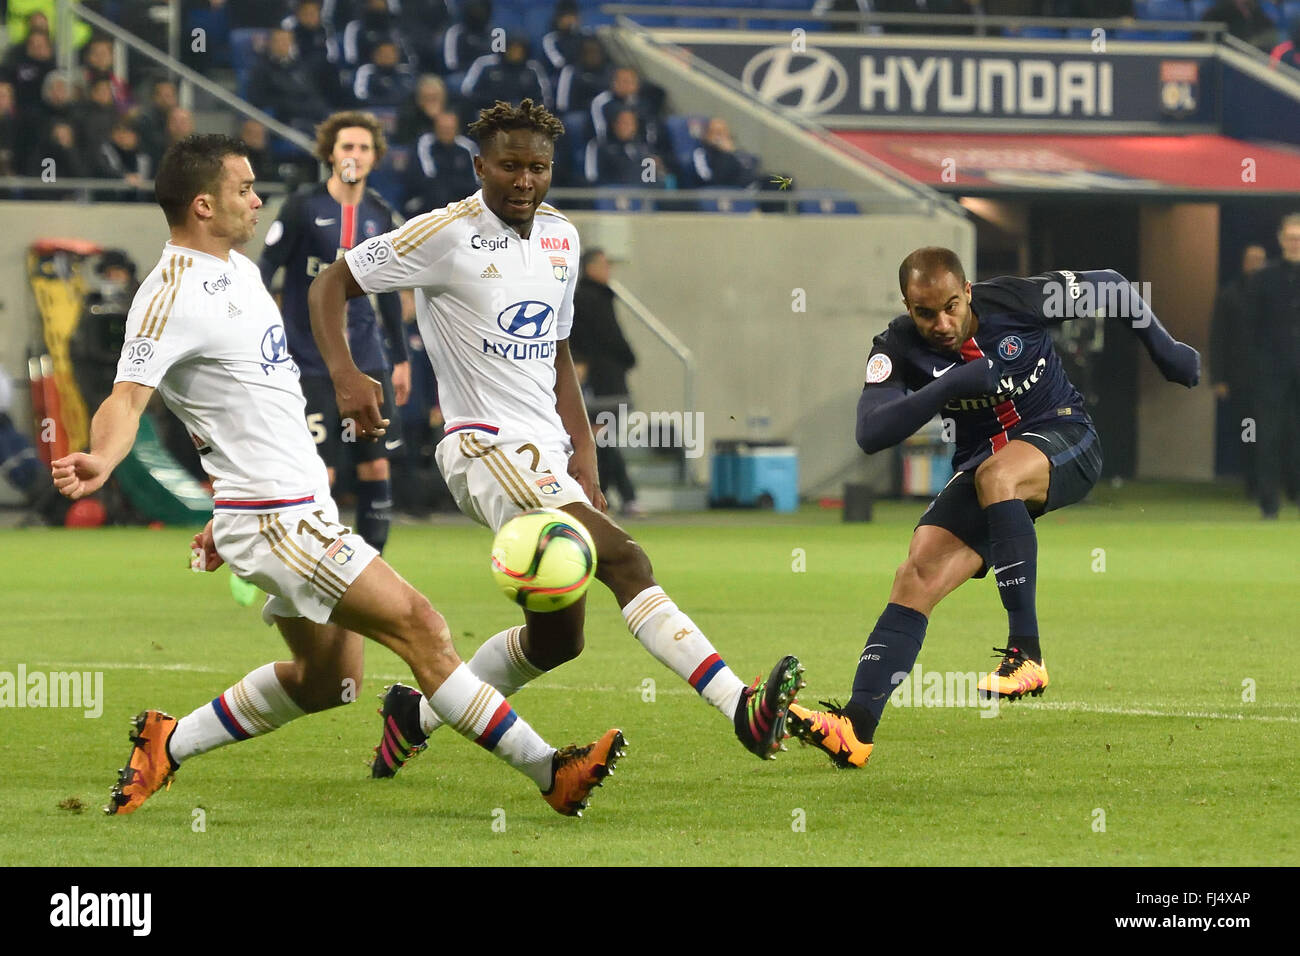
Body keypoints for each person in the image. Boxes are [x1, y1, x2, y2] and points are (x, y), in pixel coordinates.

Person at [50, 133, 623, 818]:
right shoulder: (169, 294)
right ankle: (549, 771)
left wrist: (226, 508)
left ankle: (168, 741)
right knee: (423, 627)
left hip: (287, 510)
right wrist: (104, 457)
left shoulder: (241, 271)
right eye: (244, 189)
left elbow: (244, 405)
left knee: (330, 682)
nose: (258, 199)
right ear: (203, 204)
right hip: (278, 521)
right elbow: (128, 395)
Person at [308, 99, 803, 777]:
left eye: (537, 167)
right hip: (483, 446)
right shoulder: (444, 234)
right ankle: (740, 706)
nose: (523, 179)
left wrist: (586, 457)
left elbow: (558, 354)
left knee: (557, 641)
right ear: (481, 165)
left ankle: (412, 716)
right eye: (509, 165)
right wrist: (345, 373)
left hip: (547, 455)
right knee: (625, 561)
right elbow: (331, 284)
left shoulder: (562, 239)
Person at [788, 248, 1200, 768]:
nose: (941, 323)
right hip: (985, 467)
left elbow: (1113, 285)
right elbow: (872, 432)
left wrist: (1166, 351)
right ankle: (856, 727)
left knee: (998, 474)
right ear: (906, 305)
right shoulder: (896, 346)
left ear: (968, 290)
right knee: (917, 568)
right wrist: (950, 385)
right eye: (925, 313)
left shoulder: (1018, 300)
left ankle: (1026, 653)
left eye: (952, 306)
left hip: (1065, 434)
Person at [259, 111, 408, 555]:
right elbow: (266, 271)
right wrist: (261, 331)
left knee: (375, 467)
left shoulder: (380, 215)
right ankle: (311, 560)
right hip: (309, 359)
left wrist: (399, 358)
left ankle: (371, 566)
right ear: (330, 153)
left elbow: (389, 293)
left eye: (363, 148)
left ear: (375, 158)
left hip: (368, 360)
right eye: (347, 146)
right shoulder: (303, 207)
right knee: (320, 469)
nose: (355, 155)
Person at [568, 248, 641, 515]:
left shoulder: (581, 299)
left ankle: (603, 497)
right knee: (603, 441)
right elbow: (612, 338)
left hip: (598, 387)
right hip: (605, 387)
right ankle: (624, 496)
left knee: (602, 442)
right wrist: (629, 357)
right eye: (604, 265)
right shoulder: (595, 299)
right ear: (590, 268)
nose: (608, 270)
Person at [1244, 212, 1300, 519]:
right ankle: (1269, 504)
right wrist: (1257, 366)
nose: (1294, 244)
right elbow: (1249, 328)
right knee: (1267, 439)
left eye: (1299, 239)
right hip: (1271, 374)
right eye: (1290, 238)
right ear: (1281, 240)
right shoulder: (1263, 279)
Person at [1210, 243, 1266, 492]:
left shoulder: (1276, 296)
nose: (1255, 264)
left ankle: (1283, 482)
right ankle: (1251, 481)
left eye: (1260, 259)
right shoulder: (1229, 296)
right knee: (1249, 431)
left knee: (1278, 432)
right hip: (1242, 381)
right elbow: (1218, 339)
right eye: (1251, 259)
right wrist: (1219, 378)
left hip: (1274, 379)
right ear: (1244, 262)